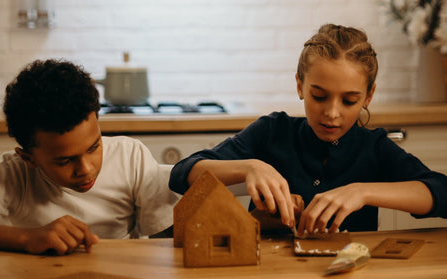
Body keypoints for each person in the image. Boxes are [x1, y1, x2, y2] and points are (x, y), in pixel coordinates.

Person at [169, 24, 447, 235]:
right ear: (300, 85)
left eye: (349, 101)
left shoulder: (372, 147)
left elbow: (442, 192)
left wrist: (362, 192)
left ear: (368, 97)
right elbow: (182, 173)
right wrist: (249, 167)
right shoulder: (271, 131)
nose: (332, 113)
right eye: (319, 96)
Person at [0, 59, 178, 255]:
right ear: (29, 159)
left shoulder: (131, 157)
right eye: (65, 160)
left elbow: (164, 240)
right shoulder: (12, 174)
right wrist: (27, 238)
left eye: (94, 146)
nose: (85, 169)